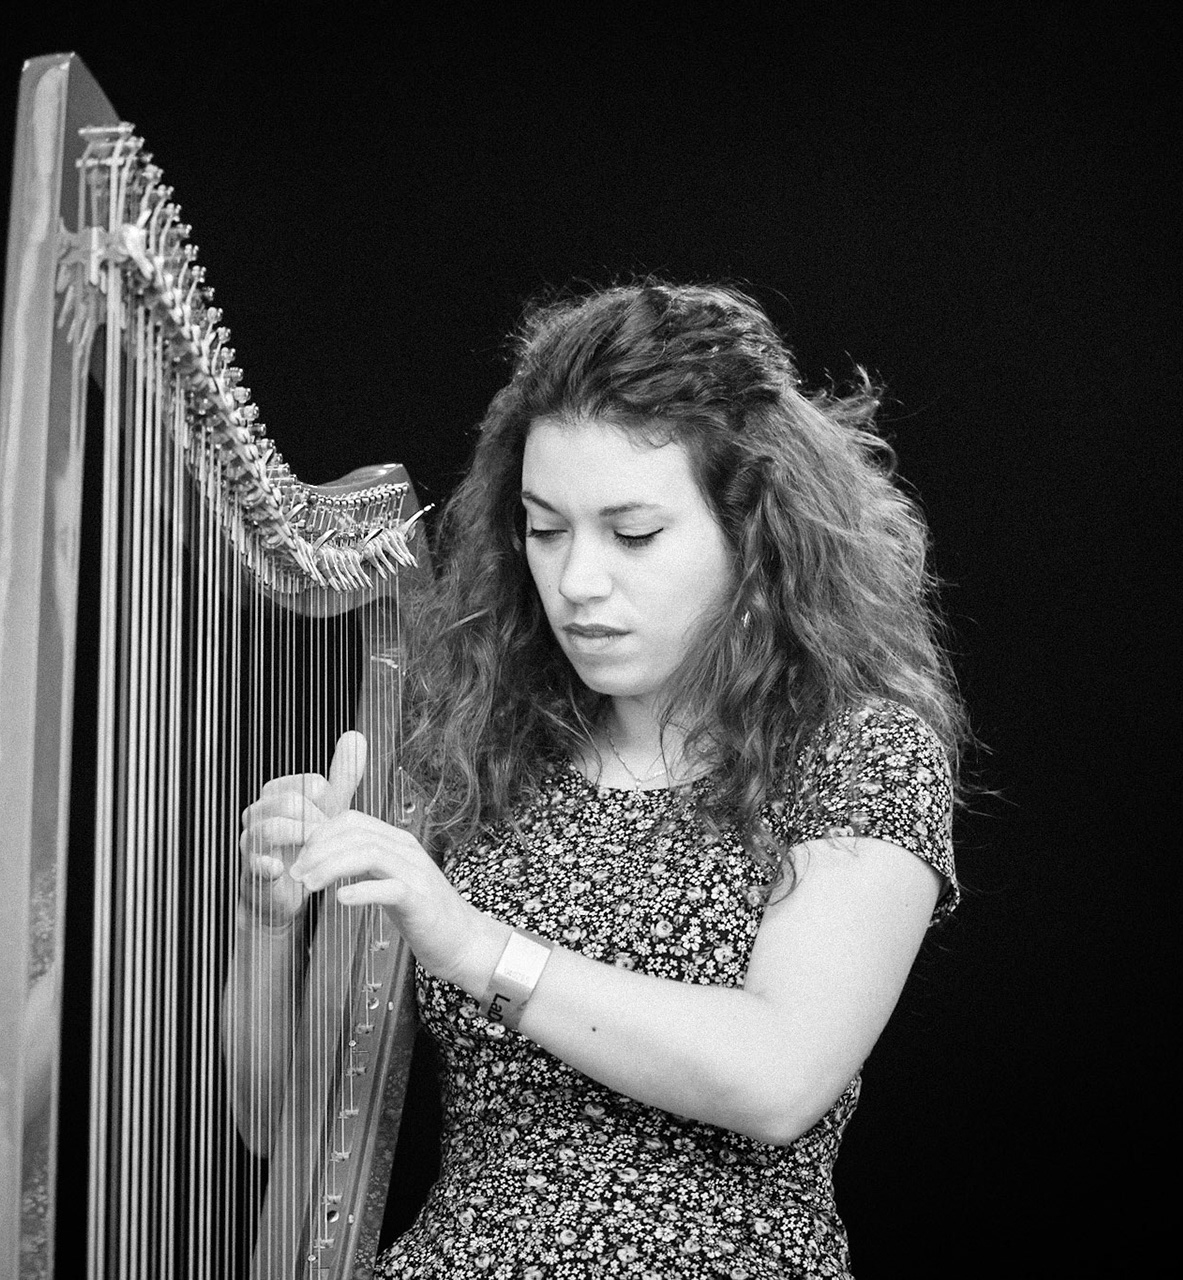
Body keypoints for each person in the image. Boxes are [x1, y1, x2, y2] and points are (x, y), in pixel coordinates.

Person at [235, 282, 964, 1279]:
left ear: (752, 535)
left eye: (632, 534)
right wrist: (271, 921)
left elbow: (779, 1073)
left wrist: (481, 945)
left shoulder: (860, 750)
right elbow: (279, 1120)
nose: (578, 580)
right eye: (544, 529)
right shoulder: (468, 743)